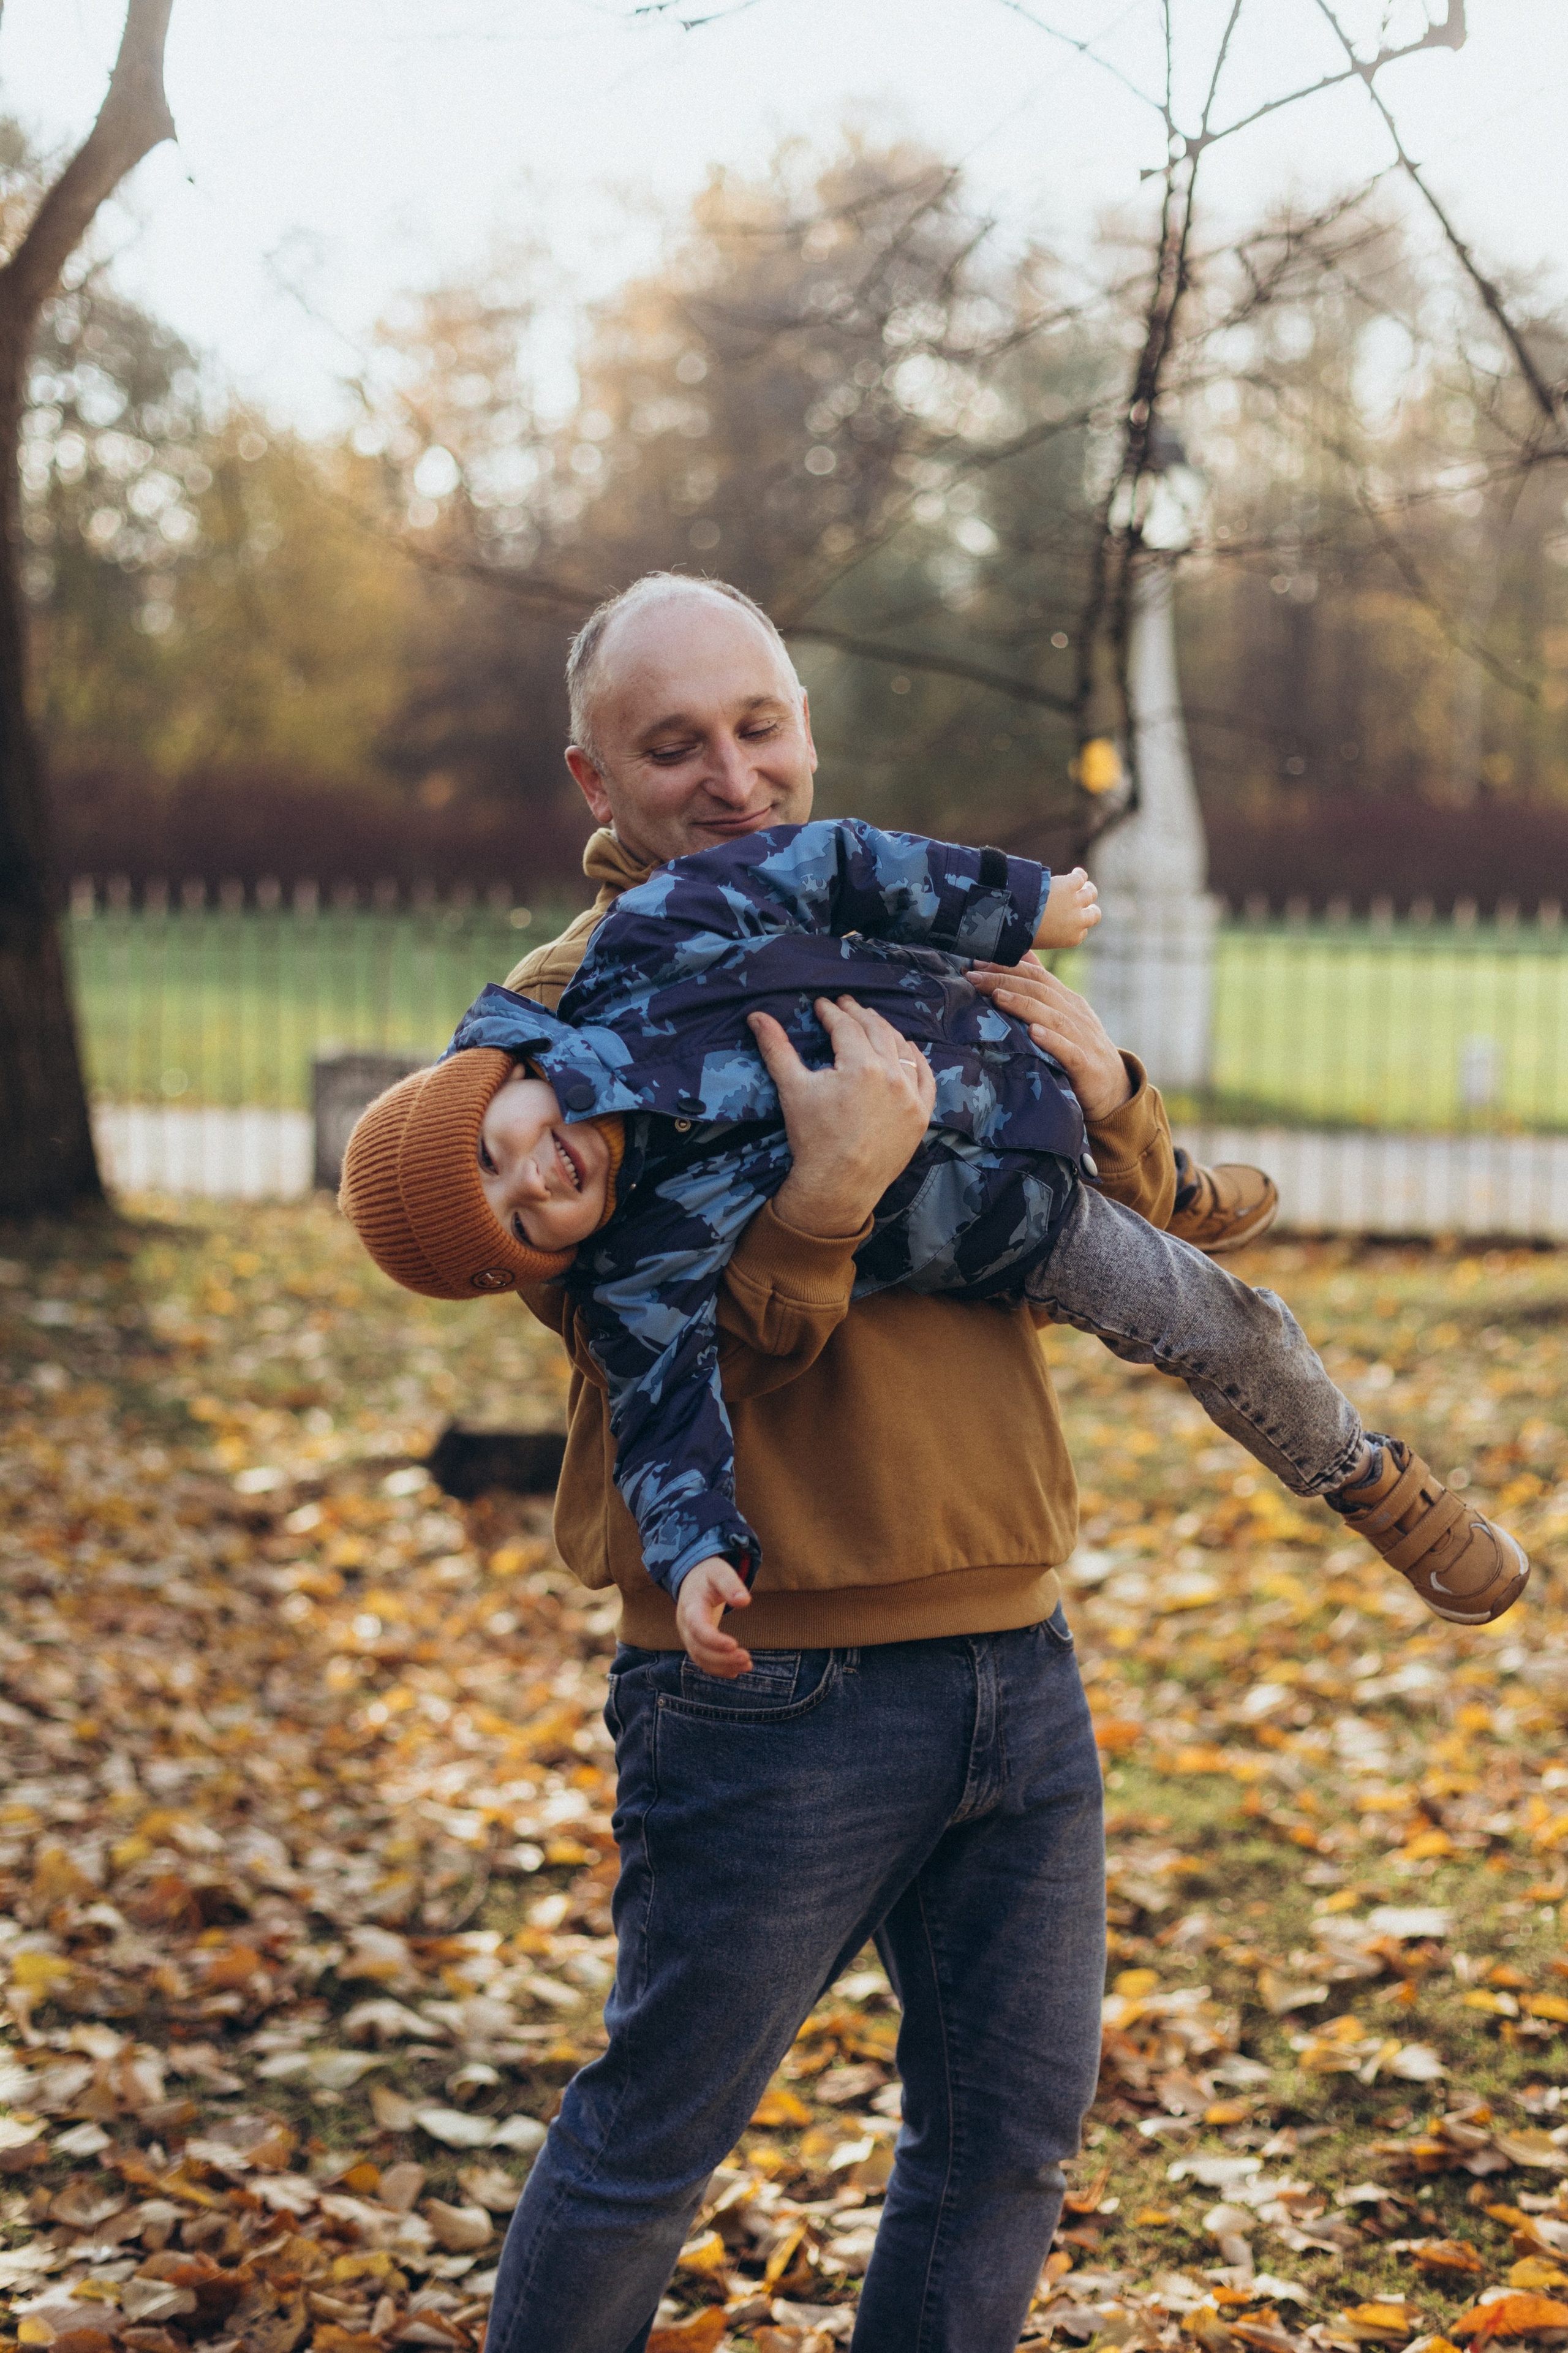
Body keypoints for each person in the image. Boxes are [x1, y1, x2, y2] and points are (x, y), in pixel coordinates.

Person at [327, 573, 1412, 2353]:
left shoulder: (895, 928)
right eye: (676, 746)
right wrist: (822, 1206)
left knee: (1001, 2143)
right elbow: (645, 1355)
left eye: (761, 727)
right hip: (774, 1684)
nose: (735, 777)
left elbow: (1083, 1208)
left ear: (806, 727)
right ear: (595, 779)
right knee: (652, 2143)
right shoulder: (543, 1037)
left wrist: (1117, 1084)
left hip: (1013, 1639)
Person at [342, 816, 1528, 1665]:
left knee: (1151, 1189)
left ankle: (1176, 1191)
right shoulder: (636, 1264)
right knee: (1226, 1320)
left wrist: (1015, 903)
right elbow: (662, 1415)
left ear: (505, 1075)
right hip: (1015, 1231)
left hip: (998, 1062)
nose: (534, 1180)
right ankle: (1373, 1485)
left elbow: (834, 861)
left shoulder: (647, 949)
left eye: (500, 1146)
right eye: (514, 1221)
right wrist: (697, 1549)